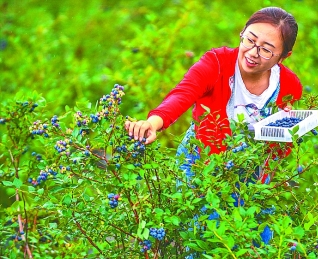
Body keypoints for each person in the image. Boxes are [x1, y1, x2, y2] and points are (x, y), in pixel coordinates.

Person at [125, 7, 302, 158]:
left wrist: (283, 131)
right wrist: (153, 123)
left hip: (252, 178)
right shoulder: (216, 63)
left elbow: (275, 152)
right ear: (242, 32)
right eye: (250, 40)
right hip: (200, 166)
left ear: (283, 57)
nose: (253, 52)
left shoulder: (289, 86)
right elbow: (182, 94)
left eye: (266, 50)